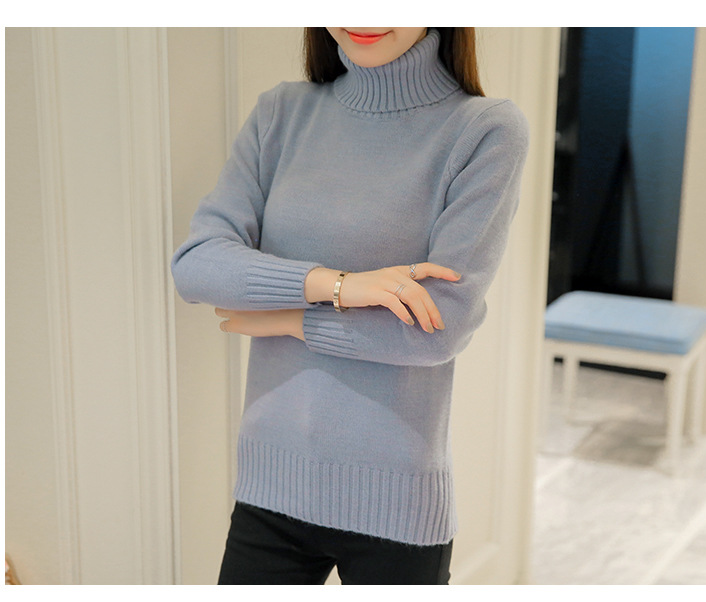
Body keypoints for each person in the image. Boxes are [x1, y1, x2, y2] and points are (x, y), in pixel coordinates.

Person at [171, 27, 529, 585]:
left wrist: (289, 319)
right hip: (270, 486)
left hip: (397, 504)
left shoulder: (484, 130)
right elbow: (196, 265)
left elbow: (438, 328)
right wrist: (338, 286)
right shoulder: (282, 114)